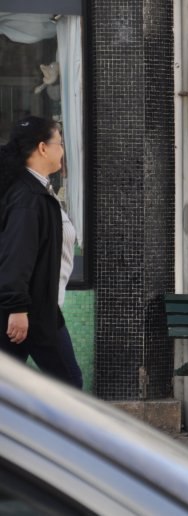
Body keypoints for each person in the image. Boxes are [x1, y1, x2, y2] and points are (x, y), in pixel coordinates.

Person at [0, 116, 82, 388]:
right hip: (30, 313)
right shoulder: (28, 197)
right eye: (59, 143)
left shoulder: (37, 190)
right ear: (42, 148)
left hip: (38, 308)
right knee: (70, 386)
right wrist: (17, 308)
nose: (62, 150)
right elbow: (17, 254)